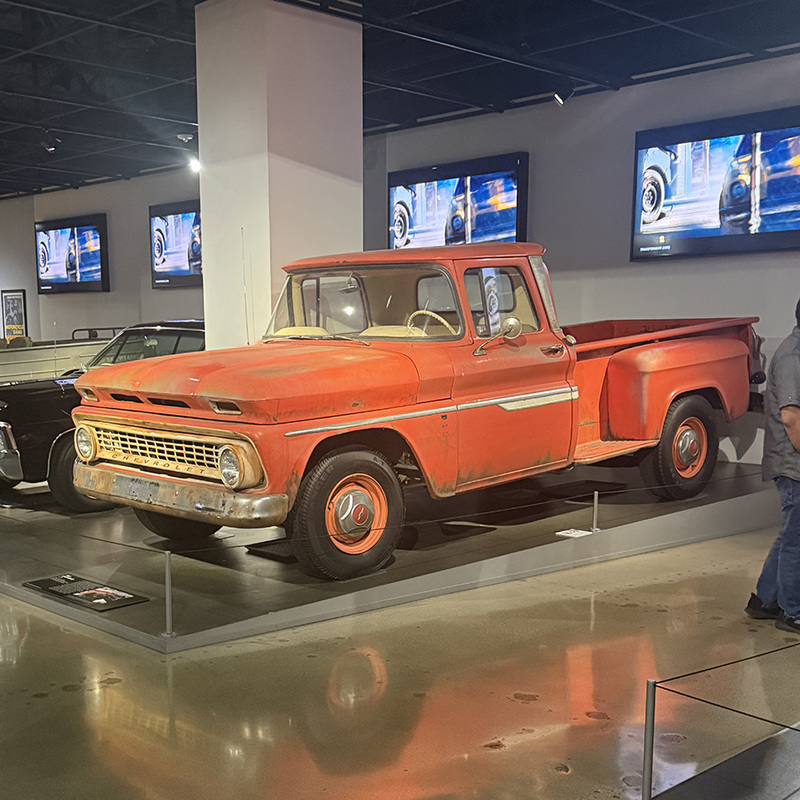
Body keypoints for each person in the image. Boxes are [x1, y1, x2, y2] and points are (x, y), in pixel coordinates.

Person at [748, 297, 800, 632]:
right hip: (793, 464)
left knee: (789, 534)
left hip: (792, 462)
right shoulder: (793, 358)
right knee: (797, 539)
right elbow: (792, 418)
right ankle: (792, 611)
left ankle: (764, 600)